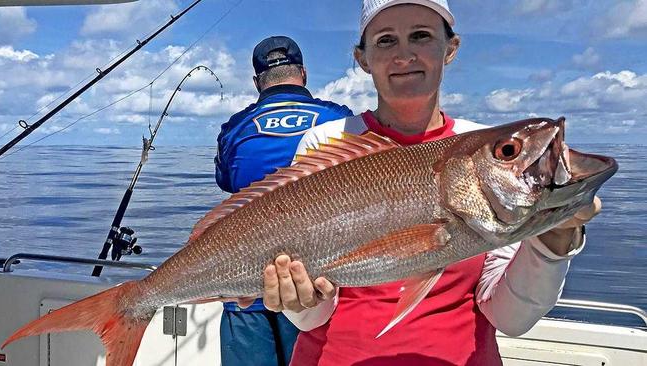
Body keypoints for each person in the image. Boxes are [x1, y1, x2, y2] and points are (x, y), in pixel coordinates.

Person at [250, 1, 603, 365]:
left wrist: (553, 240)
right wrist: (299, 299)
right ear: (363, 58)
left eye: (421, 36)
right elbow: (311, 318)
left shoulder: (480, 148)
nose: (404, 55)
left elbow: (512, 319)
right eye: (386, 40)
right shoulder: (326, 143)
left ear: (450, 48)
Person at [214, 35, 353, 366]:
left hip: (245, 289)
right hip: (315, 287)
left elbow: (227, 183)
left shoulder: (235, 129)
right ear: (303, 73)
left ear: (256, 82)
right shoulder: (340, 120)